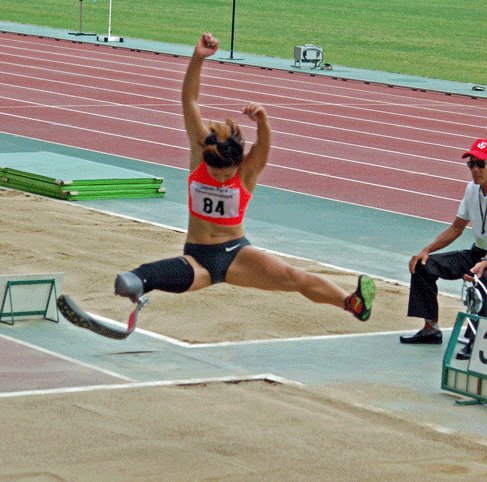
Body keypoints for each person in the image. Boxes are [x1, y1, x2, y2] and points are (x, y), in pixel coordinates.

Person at [113, 33, 376, 323]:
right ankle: (139, 280)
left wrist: (263, 123)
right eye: (214, 172)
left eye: (225, 174)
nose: (219, 177)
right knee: (146, 277)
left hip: (237, 254)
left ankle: (351, 303)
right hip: (198, 256)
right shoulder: (201, 153)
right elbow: (190, 100)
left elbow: (263, 148)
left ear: (238, 164)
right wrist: (198, 58)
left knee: (294, 277)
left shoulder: (247, 172)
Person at [400, 138, 487, 359]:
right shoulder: (471, 190)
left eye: (481, 164)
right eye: (471, 164)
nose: (475, 169)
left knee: (483, 283)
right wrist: (426, 250)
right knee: (423, 266)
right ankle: (430, 328)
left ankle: (477, 343)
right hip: (477, 252)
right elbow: (457, 228)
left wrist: (484, 264)